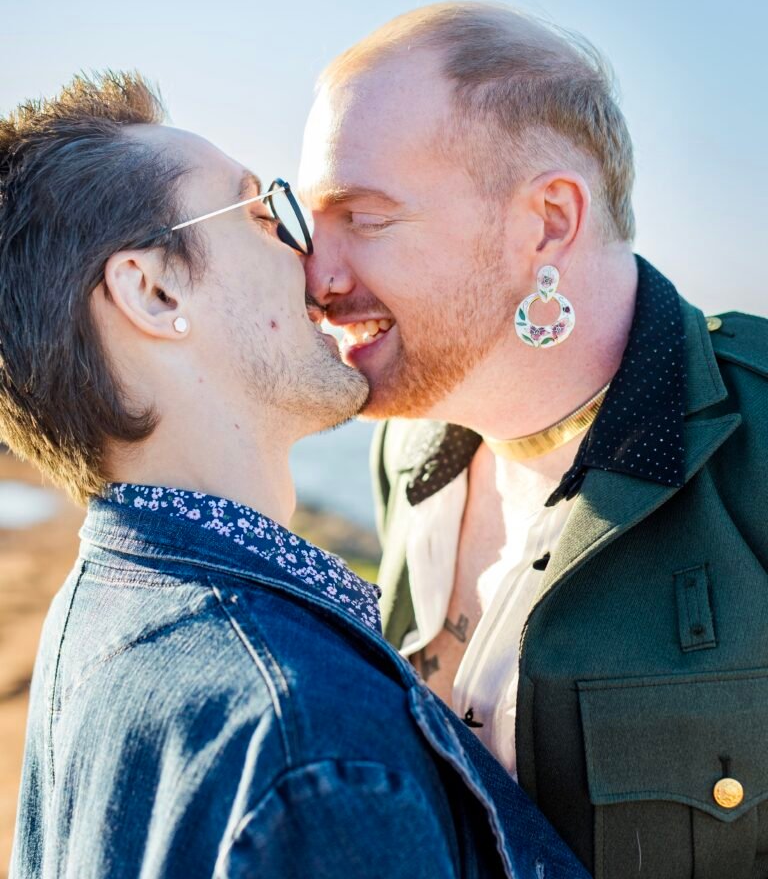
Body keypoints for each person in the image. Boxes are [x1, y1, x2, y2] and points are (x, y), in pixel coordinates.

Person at [6, 73, 586, 879]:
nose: (311, 255)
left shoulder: (99, 607)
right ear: (153, 288)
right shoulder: (309, 747)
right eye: (259, 211)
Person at [298, 2, 768, 879]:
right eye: (309, 225)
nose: (316, 280)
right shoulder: (406, 449)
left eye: (362, 218)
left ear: (548, 220)